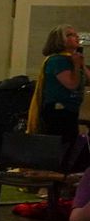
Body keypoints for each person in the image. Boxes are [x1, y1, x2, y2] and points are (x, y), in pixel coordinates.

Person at [33, 24, 84, 159]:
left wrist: (80, 64)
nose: (76, 37)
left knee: (71, 147)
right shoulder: (57, 60)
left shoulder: (72, 59)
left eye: (75, 34)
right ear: (60, 40)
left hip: (70, 110)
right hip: (58, 111)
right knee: (61, 150)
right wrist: (77, 65)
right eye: (70, 35)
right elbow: (72, 84)